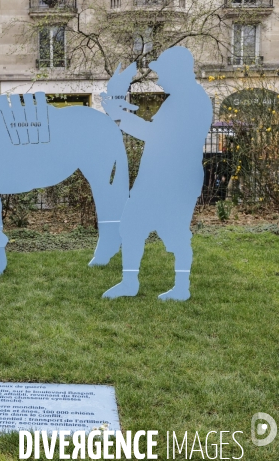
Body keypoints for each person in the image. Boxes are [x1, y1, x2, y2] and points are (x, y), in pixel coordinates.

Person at [101, 47, 212, 300]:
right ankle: (130, 282)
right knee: (131, 226)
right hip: (158, 180)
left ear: (177, 71)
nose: (158, 77)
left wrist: (120, 117)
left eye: (162, 71)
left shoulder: (190, 99)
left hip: (174, 182)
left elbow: (157, 136)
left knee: (176, 235)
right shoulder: (182, 97)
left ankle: (181, 289)